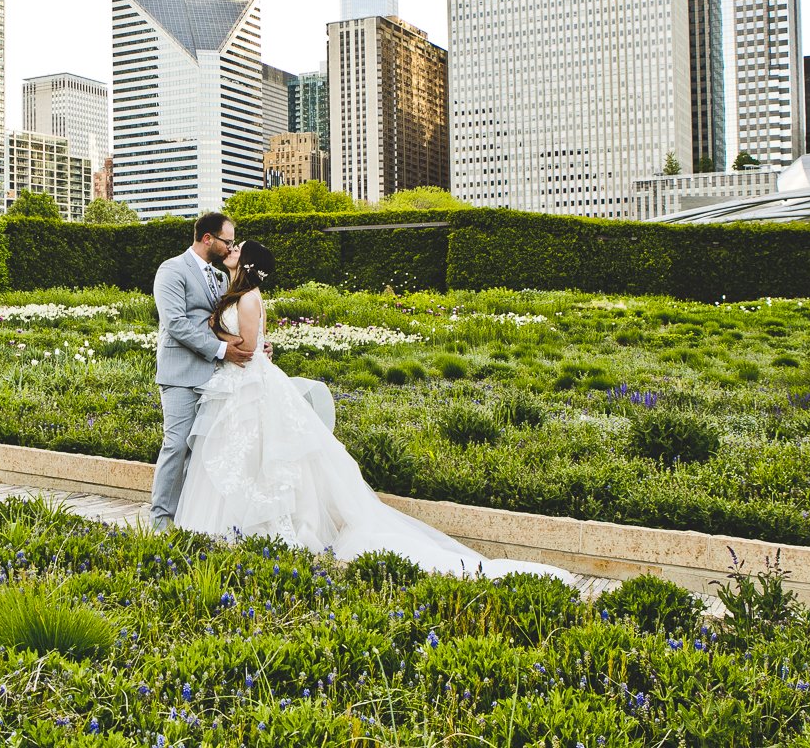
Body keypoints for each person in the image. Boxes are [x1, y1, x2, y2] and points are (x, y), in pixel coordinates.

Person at [175, 240, 573, 582]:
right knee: (245, 460)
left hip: (249, 386)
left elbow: (245, 345)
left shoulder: (246, 296)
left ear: (246, 264)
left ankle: (256, 531)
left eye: (239, 249)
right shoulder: (238, 292)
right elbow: (257, 343)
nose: (232, 249)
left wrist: (213, 331)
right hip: (239, 385)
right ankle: (239, 530)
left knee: (259, 460)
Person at [148, 213, 257, 531]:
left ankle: (190, 519)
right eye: (228, 241)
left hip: (216, 376)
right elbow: (176, 324)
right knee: (177, 444)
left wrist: (252, 342)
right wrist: (223, 350)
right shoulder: (171, 270)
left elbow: (223, 322)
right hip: (180, 374)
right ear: (208, 238)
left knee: (208, 450)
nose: (231, 247)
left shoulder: (222, 278)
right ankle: (160, 521)